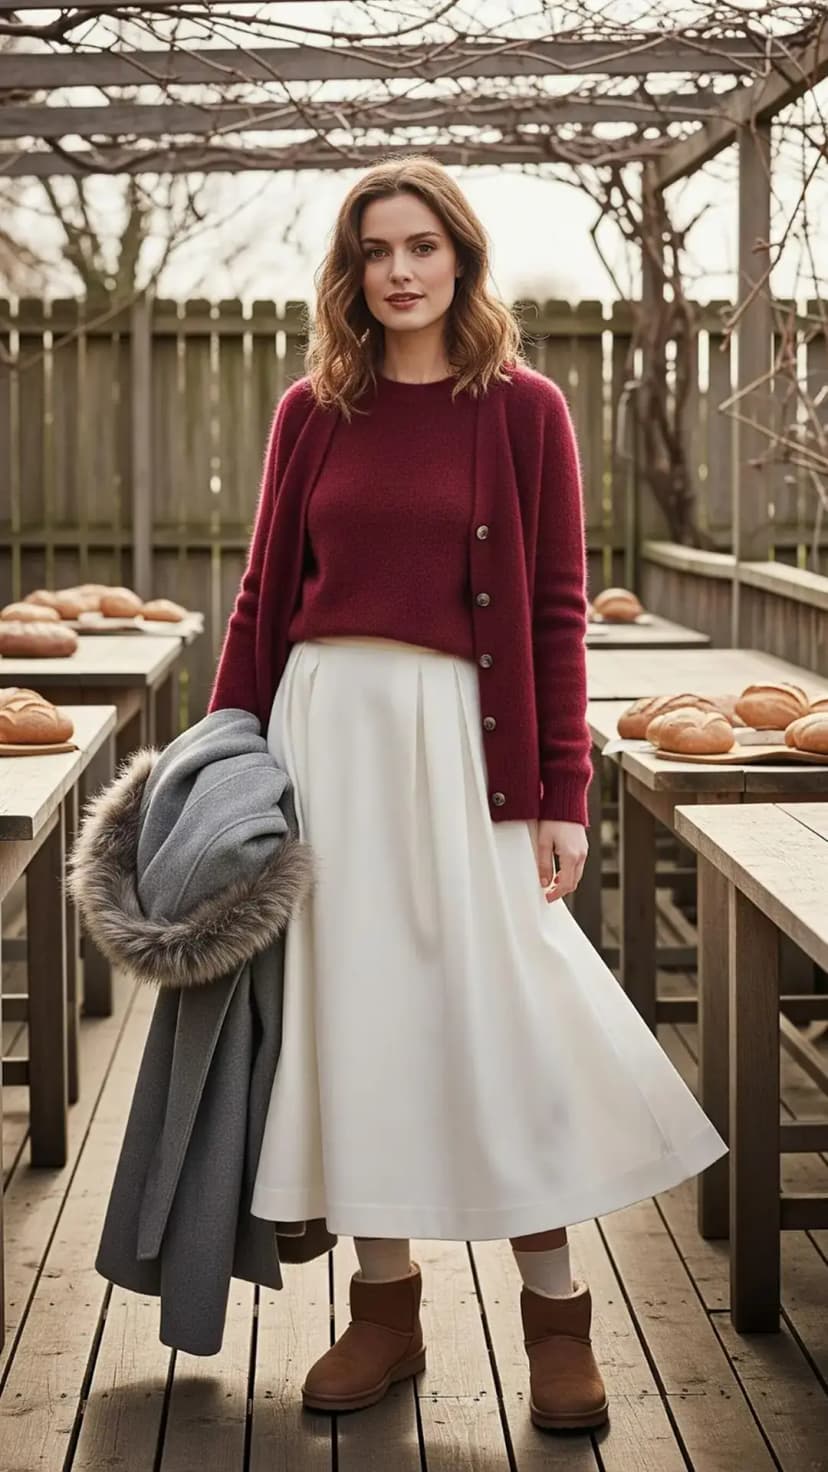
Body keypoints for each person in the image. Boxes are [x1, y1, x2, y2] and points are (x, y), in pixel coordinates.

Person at [207, 155, 727, 1433]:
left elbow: (555, 607)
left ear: (462, 259)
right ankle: (384, 1308)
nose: (398, 270)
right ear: (351, 269)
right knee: (351, 1017)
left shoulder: (524, 409)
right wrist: (220, 758)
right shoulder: (311, 411)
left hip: (464, 749)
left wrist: (563, 789)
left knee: (497, 1017)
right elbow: (264, 598)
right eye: (376, 249)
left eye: (422, 246)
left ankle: (555, 1313)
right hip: (325, 738)